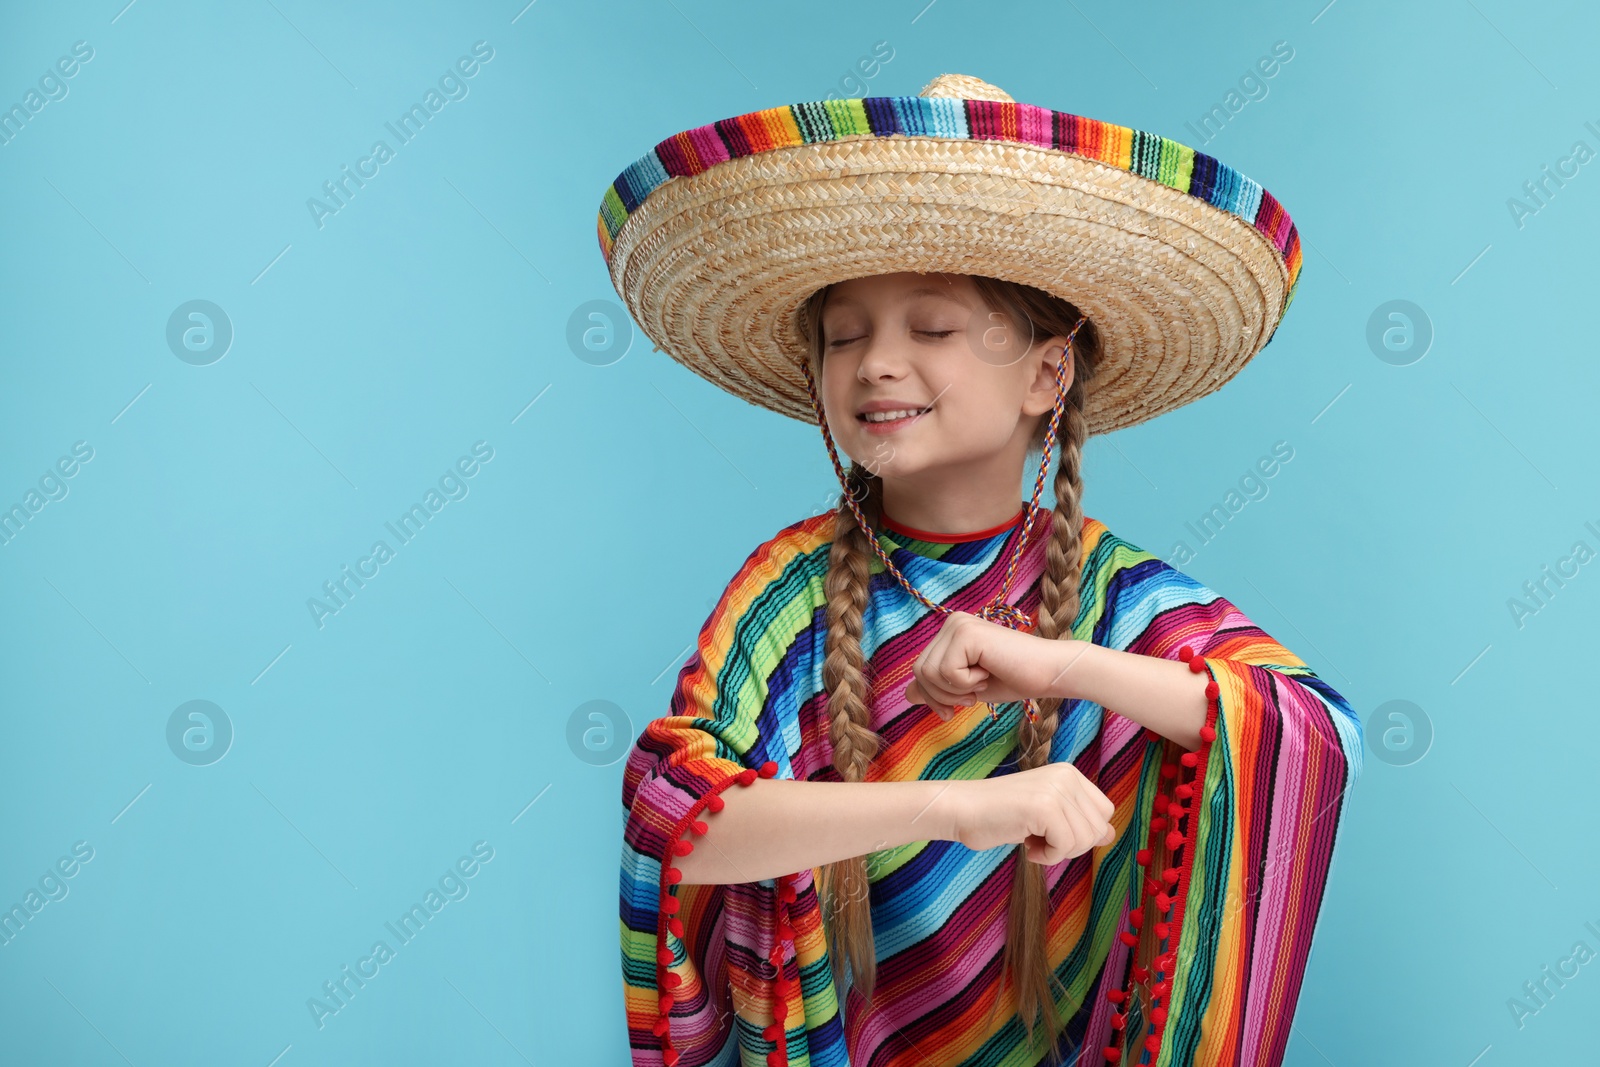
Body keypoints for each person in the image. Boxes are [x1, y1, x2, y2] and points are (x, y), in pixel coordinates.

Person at [599, 73, 1362, 1067]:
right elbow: (675, 815)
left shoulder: (1109, 595)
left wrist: (1056, 666)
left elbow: (1310, 732)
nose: (874, 362)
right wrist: (960, 806)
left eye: (930, 327)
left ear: (1048, 373)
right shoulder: (788, 592)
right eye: (843, 334)